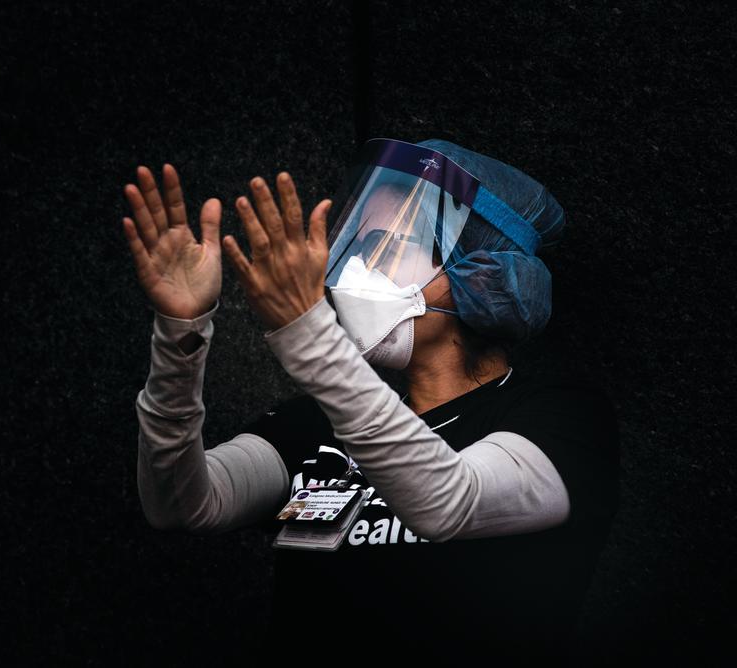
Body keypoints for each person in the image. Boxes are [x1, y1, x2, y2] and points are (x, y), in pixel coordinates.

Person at [122, 139, 619, 664]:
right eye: (357, 243)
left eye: (387, 244)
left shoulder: (561, 419)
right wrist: (181, 334)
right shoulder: (316, 423)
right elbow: (183, 503)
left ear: (479, 272)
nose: (358, 266)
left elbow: (448, 501)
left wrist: (305, 333)